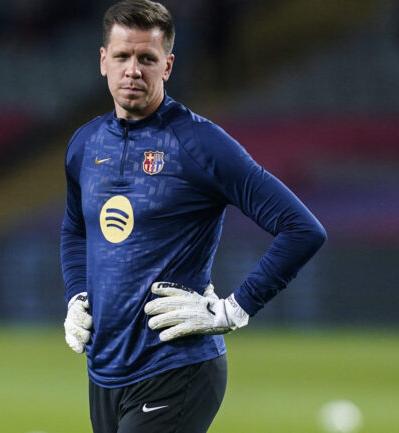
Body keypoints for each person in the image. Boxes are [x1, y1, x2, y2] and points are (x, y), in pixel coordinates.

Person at [60, 1, 326, 432]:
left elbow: (302, 229)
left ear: (167, 66)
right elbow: (75, 228)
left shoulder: (198, 144)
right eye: (123, 56)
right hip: (105, 373)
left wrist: (232, 310)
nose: (133, 70)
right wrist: (75, 296)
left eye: (147, 58)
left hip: (175, 370)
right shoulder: (84, 145)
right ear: (103, 61)